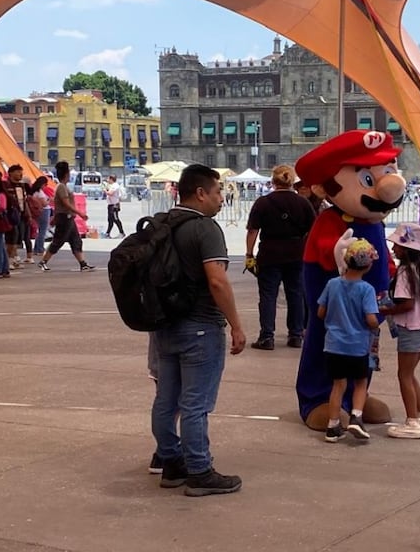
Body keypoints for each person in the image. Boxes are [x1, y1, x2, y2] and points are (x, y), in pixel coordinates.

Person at [150, 164, 247, 496]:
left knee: (166, 399)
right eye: (218, 191)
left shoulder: (162, 223)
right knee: (195, 404)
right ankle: (199, 470)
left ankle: (170, 462)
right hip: (201, 326)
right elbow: (217, 281)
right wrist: (236, 324)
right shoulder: (205, 228)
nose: (222, 198)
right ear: (201, 193)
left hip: (165, 325)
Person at [379, 223, 420, 439]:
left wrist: (386, 310)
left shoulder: (405, 271)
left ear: (407, 248)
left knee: (403, 375)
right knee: (410, 373)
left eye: (397, 245)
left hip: (411, 327)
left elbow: (407, 304)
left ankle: (412, 422)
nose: (393, 249)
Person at [246, 164, 316, 350]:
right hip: (296, 253)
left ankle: (267, 337)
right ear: (292, 181)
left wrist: (249, 254)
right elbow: (313, 229)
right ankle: (296, 335)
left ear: (273, 181)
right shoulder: (303, 203)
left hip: (269, 253)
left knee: (268, 295)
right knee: (296, 294)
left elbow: (253, 231)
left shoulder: (263, 202)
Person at [318, 238, 380, 443]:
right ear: (368, 265)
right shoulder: (366, 289)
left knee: (338, 385)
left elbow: (320, 312)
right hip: (357, 346)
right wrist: (376, 323)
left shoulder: (332, 284)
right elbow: (371, 319)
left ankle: (332, 426)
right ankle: (356, 417)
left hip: (333, 345)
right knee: (360, 382)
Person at [38, 161, 94, 272]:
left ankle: (83, 263)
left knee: (76, 240)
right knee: (58, 240)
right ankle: (43, 261)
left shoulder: (63, 187)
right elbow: (65, 203)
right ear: (67, 174)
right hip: (64, 217)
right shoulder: (61, 187)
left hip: (69, 217)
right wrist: (80, 213)